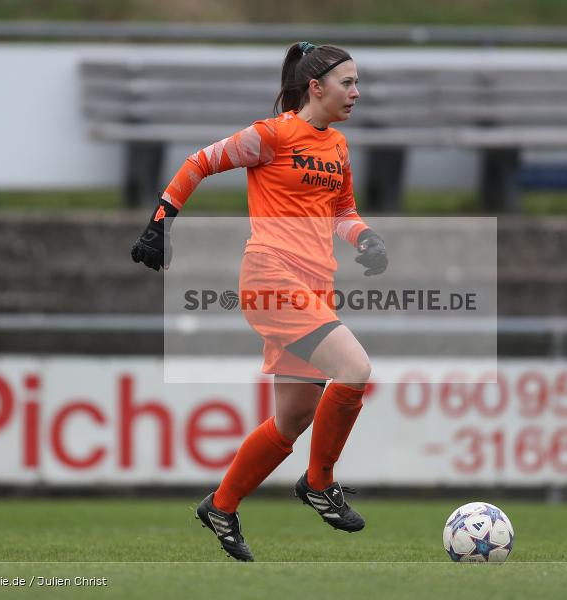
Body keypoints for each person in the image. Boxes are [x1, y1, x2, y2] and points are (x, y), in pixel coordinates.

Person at [130, 41, 387, 562]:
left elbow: (341, 209)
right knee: (355, 370)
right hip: (272, 278)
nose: (357, 93)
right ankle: (320, 483)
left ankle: (221, 506)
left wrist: (363, 239)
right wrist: (161, 221)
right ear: (315, 87)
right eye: (348, 82)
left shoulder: (337, 145)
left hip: (314, 287)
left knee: (292, 421)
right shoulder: (271, 136)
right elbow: (200, 161)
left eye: (358, 83)